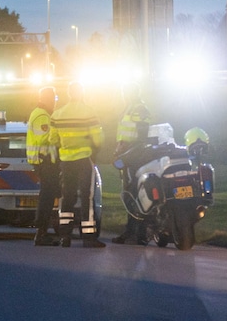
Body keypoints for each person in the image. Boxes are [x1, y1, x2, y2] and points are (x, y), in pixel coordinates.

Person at [48, 82, 105, 248]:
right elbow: (98, 140)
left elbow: (53, 140)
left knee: (67, 197)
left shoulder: (57, 115)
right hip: (84, 159)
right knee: (87, 197)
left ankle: (64, 236)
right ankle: (89, 237)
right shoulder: (89, 113)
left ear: (68, 94)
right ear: (81, 93)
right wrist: (94, 149)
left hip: (66, 161)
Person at [113, 91, 152, 245]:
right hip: (128, 153)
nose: (124, 95)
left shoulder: (139, 109)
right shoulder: (130, 108)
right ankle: (135, 231)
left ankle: (137, 232)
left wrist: (128, 149)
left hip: (135, 155)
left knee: (134, 192)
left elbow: (142, 136)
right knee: (131, 192)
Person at [26, 86, 60, 246]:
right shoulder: (42, 115)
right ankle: (41, 232)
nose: (54, 102)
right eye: (53, 99)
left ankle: (46, 229)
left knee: (50, 194)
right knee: (46, 196)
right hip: (44, 161)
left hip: (45, 161)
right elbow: (44, 139)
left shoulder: (42, 114)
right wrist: (60, 135)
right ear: (48, 99)